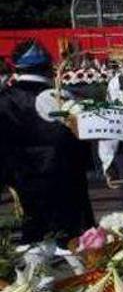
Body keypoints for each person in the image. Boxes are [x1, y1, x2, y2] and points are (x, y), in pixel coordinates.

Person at [0, 40, 94, 244]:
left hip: (23, 180)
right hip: (66, 179)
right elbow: (82, 138)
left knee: (34, 237)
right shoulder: (62, 96)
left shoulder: (4, 99)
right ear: (48, 66)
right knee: (74, 239)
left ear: (15, 66)